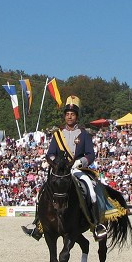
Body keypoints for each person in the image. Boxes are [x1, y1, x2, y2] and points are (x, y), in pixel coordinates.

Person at [22, 96, 109, 241]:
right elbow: (50, 154)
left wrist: (80, 162)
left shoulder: (84, 134)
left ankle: (96, 225)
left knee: (91, 191)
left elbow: (91, 155)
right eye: (67, 114)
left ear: (76, 116)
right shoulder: (57, 135)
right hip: (61, 171)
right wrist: (58, 163)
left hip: (77, 169)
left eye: (72, 114)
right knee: (42, 192)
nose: (70, 117)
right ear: (65, 116)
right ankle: (38, 226)